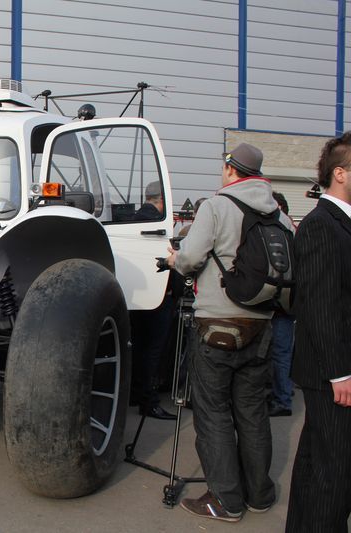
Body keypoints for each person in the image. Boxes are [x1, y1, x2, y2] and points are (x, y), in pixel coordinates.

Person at [167, 143, 294, 522]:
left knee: (213, 413)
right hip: (263, 325)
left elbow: (190, 258)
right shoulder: (280, 216)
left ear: (229, 170)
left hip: (217, 324)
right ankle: (259, 494)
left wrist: (176, 260)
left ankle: (224, 500)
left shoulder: (217, 206)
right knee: (253, 412)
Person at [285, 132, 351, 532]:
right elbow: (321, 305)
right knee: (335, 471)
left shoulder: (338, 223)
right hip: (333, 372)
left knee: (319, 462)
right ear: (340, 173)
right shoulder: (321, 225)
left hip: (335, 369)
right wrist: (340, 372)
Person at [130, 181, 176, 420]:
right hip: (158, 299)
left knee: (137, 348)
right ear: (161, 200)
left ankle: (135, 394)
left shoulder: (131, 221)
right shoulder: (159, 226)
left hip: (135, 300)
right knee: (154, 352)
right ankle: (149, 401)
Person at [267, 191, 295, 417]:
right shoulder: (290, 227)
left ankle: (282, 399)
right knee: (281, 352)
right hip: (287, 300)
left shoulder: (278, 224)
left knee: (279, 352)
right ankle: (282, 395)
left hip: (278, 300)